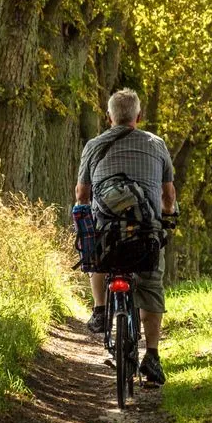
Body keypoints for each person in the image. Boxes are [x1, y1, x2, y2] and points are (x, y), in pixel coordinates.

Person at [75, 88, 176, 385]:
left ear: (109, 118)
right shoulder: (156, 144)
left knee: (93, 246)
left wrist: (84, 210)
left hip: (109, 233)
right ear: (138, 117)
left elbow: (82, 195)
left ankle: (100, 309)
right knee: (151, 284)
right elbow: (168, 194)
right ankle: (153, 357)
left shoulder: (94, 145)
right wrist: (167, 218)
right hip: (145, 232)